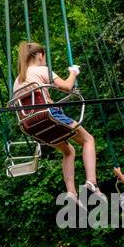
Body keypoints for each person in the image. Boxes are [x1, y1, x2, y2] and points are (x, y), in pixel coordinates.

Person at [13, 40, 99, 201]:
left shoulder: (18, 80)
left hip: (31, 125)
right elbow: (67, 86)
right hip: (47, 116)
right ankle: (91, 182)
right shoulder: (41, 70)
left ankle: (71, 192)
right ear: (40, 55)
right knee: (88, 140)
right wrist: (73, 73)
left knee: (68, 151)